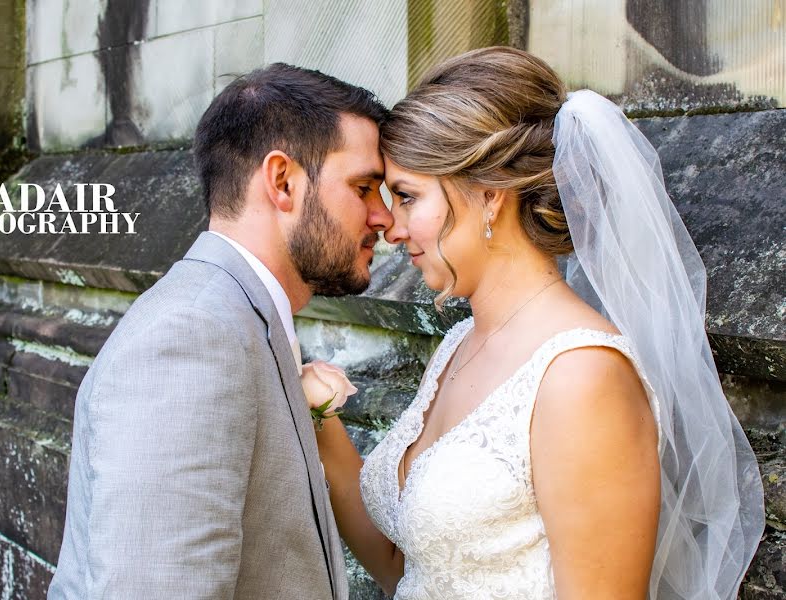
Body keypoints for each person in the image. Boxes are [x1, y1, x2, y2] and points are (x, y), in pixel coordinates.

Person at [309, 47, 764, 599]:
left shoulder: (582, 376)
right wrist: (321, 418)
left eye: (407, 197)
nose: (391, 228)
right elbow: (403, 568)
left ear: (488, 195)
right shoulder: (459, 343)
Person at [48, 63, 394, 599]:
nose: (383, 218)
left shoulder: (233, 316)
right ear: (283, 182)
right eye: (365, 187)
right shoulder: (191, 338)